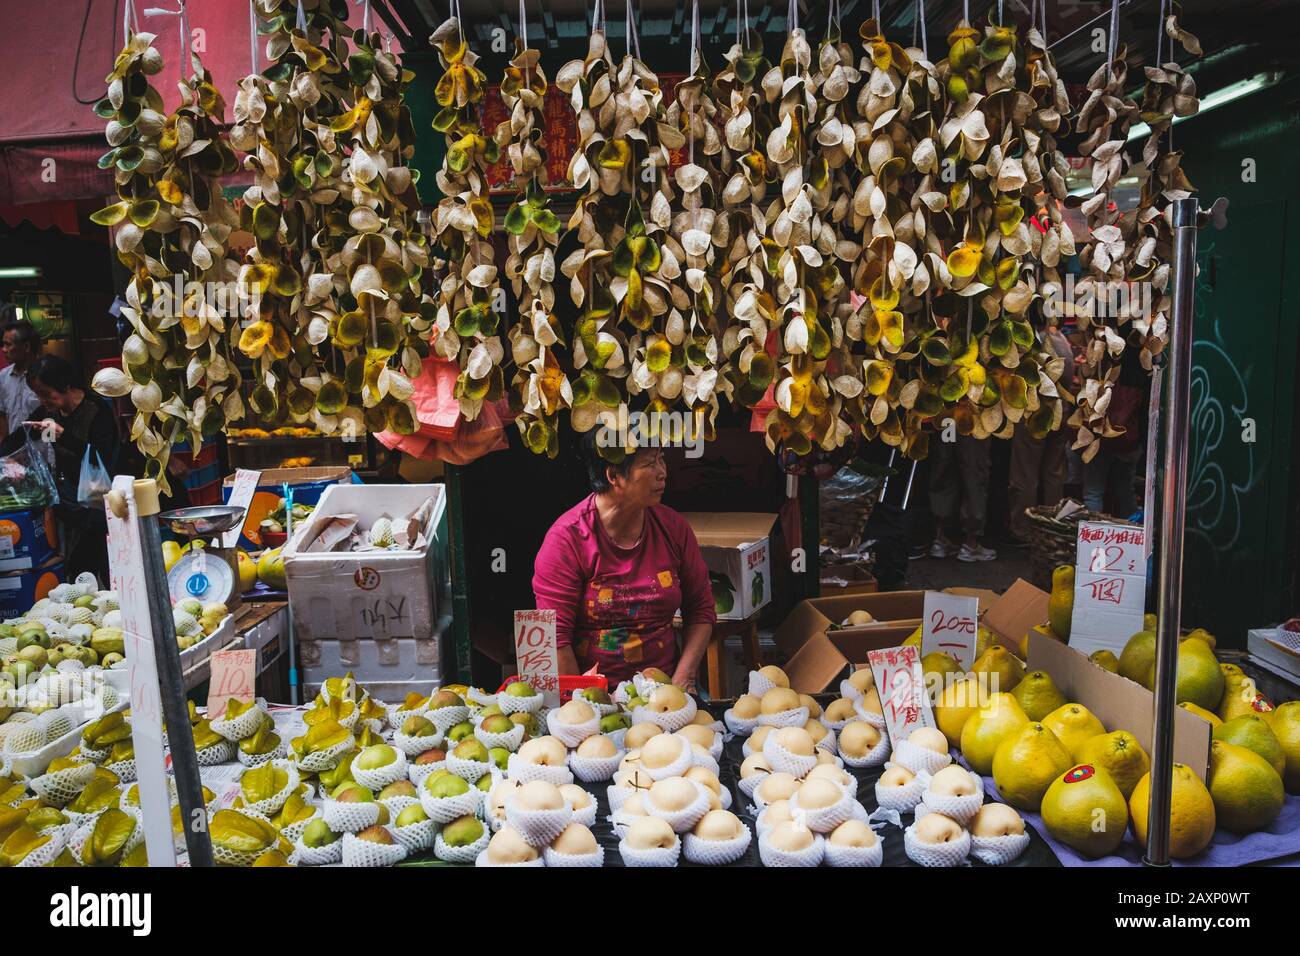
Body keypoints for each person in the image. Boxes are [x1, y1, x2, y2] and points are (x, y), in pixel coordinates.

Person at [532, 431, 716, 689]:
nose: (663, 472)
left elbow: (701, 609)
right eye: (650, 464)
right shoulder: (567, 539)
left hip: (663, 693)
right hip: (595, 697)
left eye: (661, 459)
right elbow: (554, 637)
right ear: (614, 476)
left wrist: (681, 682)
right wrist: (582, 704)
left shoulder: (673, 528)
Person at [12, 356, 119, 584]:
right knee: (79, 570)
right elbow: (22, 436)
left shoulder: (96, 410)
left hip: (98, 504)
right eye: (38, 394)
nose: (42, 400)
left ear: (66, 385)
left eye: (46, 393)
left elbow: (103, 456)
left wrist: (65, 437)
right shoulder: (50, 412)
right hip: (71, 503)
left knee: (102, 566)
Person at [1007, 320, 1076, 545]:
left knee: (1025, 475)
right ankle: (1052, 527)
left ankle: (1023, 529)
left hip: (1033, 413)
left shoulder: (1033, 341)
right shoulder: (1063, 342)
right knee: (1054, 474)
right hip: (1060, 413)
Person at [928, 433, 995, 562]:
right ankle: (971, 545)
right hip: (973, 421)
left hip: (947, 419)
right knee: (974, 474)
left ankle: (940, 540)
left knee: (943, 469)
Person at [0, 319, 42, 443]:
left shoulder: (45, 375)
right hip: (13, 454)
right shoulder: (3, 376)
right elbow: (2, 416)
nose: (3, 349)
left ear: (26, 347)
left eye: (8, 345)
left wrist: (49, 453)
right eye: (3, 345)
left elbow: (52, 417)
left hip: (42, 452)